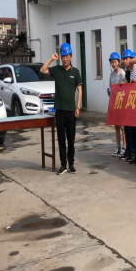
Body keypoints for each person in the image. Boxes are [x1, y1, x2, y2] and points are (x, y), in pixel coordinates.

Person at [40, 43, 82, 175]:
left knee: (71, 138)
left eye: (67, 56)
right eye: (63, 56)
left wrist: (78, 106)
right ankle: (63, 165)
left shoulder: (75, 72)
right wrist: (51, 59)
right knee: (61, 139)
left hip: (71, 110)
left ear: (71, 57)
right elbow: (42, 70)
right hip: (59, 109)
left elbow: (79, 89)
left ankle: (71, 164)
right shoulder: (56, 70)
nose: (65, 59)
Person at [108, 52, 126, 158]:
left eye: (115, 62)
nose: (113, 64)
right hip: (114, 102)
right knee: (116, 126)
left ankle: (124, 146)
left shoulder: (122, 73)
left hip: (122, 103)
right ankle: (117, 146)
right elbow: (109, 88)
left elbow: (125, 87)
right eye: (112, 62)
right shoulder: (111, 75)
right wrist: (111, 90)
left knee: (122, 126)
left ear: (118, 62)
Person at [121, 50, 135, 161]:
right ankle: (129, 151)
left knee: (132, 130)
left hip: (133, 105)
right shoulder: (127, 72)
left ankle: (133, 152)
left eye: (127, 59)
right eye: (124, 59)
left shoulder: (134, 72)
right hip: (127, 104)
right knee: (126, 128)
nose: (125, 61)